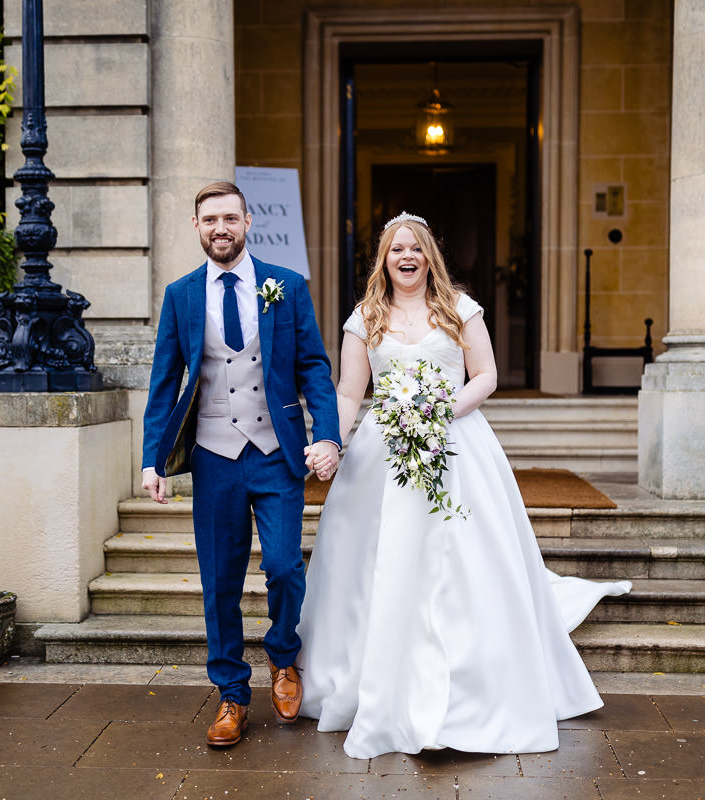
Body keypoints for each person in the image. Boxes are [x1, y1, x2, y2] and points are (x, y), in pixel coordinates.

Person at [295, 212, 631, 759]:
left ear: (430, 256)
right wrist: (331, 439)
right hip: (384, 449)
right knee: (375, 560)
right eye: (395, 249)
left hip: (455, 441)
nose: (406, 257)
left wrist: (437, 411)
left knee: (461, 558)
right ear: (383, 259)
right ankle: (373, 674)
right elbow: (350, 393)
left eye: (416, 249)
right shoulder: (364, 319)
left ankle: (471, 682)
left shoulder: (460, 309)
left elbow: (487, 376)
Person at [141, 181, 341, 748]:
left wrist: (326, 435)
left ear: (248, 221)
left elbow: (314, 371)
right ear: (197, 226)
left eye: (230, 217)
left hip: (275, 453)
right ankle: (231, 693)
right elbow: (164, 382)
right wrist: (153, 460)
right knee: (219, 582)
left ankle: (283, 658)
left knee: (283, 566)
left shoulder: (288, 286)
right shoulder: (180, 295)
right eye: (209, 220)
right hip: (213, 457)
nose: (220, 228)